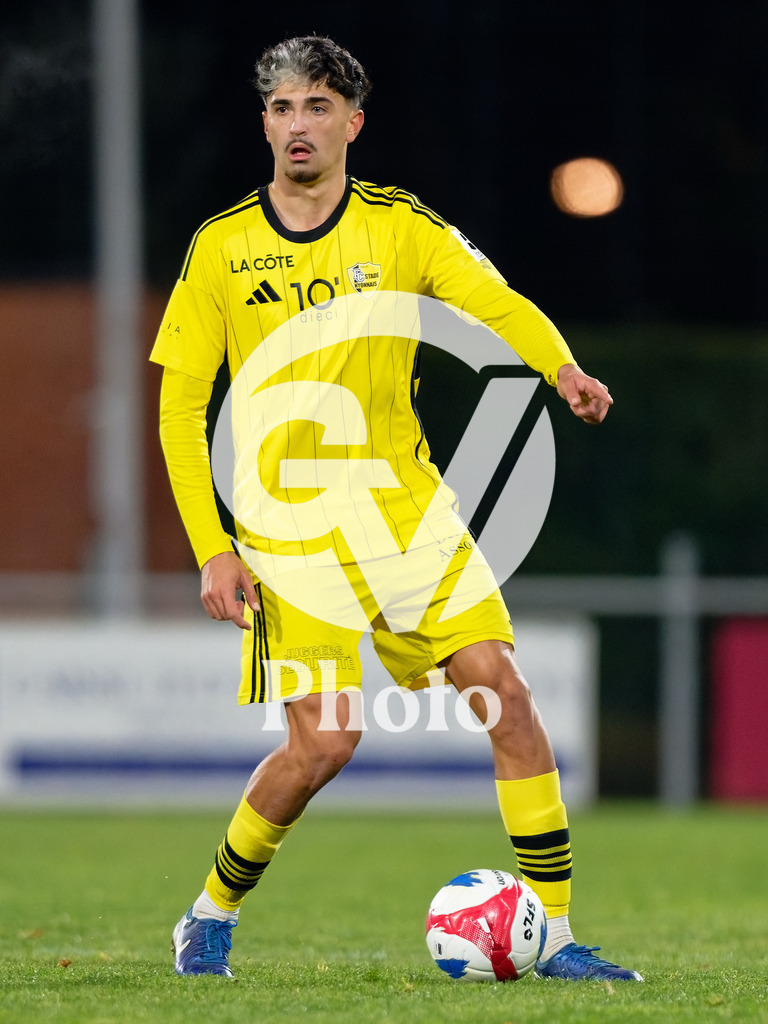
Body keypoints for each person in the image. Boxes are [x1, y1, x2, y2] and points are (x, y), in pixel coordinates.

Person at [150, 35, 642, 983]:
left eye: (318, 107)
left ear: (352, 122)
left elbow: (494, 300)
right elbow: (181, 407)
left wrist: (563, 366)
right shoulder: (220, 248)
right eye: (283, 108)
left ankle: (556, 936)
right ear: (265, 123)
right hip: (288, 530)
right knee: (325, 742)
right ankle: (208, 913)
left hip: (404, 513)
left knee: (505, 692)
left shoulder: (401, 227)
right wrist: (213, 548)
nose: (300, 125)